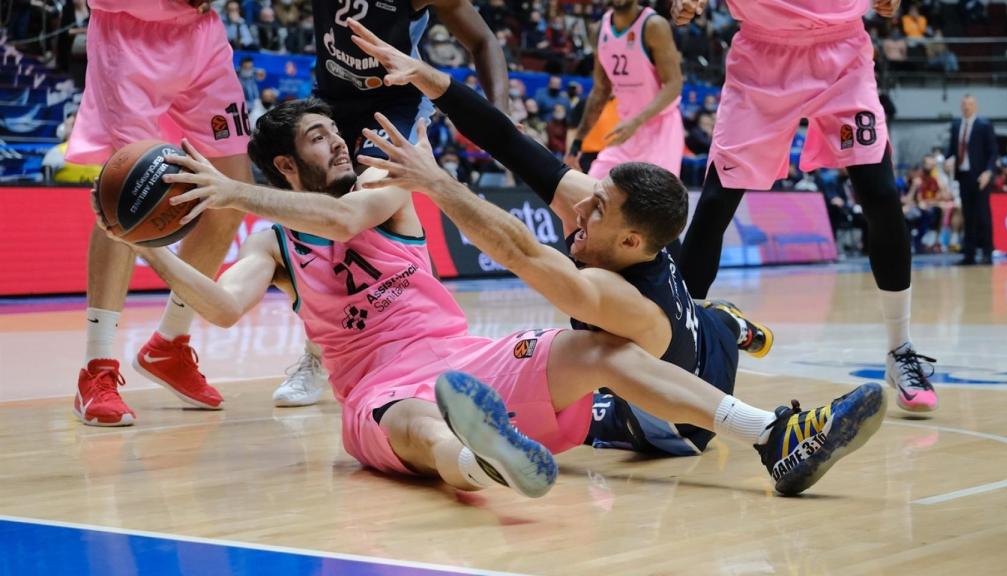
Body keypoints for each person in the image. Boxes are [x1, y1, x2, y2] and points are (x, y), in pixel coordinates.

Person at [107, 96, 883, 500]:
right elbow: (217, 307)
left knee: (596, 348)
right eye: (318, 137)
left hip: (466, 360)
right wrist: (148, 249)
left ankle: (773, 436)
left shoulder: (382, 184)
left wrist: (231, 192)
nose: (338, 140)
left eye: (333, 130)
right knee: (413, 418)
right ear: (284, 164)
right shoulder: (277, 240)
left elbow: (342, 217)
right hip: (376, 386)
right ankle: (476, 462)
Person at [349, 26, 777, 457]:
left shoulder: (620, 296)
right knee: (709, 322)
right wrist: (425, 76)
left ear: (629, 241)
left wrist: (438, 184)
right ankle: (727, 322)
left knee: (553, 394)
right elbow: (508, 141)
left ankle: (732, 341)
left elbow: (520, 252)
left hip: (677, 423)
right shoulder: (631, 226)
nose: (582, 207)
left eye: (599, 208)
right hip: (706, 340)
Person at [668, 0, 939, 413]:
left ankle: (900, 349)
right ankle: (678, 359)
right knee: (717, 202)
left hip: (842, 52)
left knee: (881, 195)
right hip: (763, 55)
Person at [269, 0, 511, 407]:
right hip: (329, 103)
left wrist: (499, 117)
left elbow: (484, 39)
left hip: (394, 105)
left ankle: (428, 336)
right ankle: (318, 354)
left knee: (368, 206)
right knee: (313, 224)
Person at [66, 0, 255, 426]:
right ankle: (97, 369)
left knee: (230, 191)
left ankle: (169, 343)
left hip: (201, 33)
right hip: (130, 33)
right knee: (127, 194)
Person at [569, 0, 684, 179]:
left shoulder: (654, 26)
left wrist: (636, 121)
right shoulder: (599, 30)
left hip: (661, 131)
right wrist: (577, 144)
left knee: (655, 201)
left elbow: (674, 84)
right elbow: (600, 91)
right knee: (593, 191)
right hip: (625, 130)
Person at [945, 95, 998, 265]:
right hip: (963, 176)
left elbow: (993, 152)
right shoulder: (956, 125)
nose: (966, 107)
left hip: (980, 177)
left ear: (975, 106)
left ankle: (987, 253)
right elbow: (952, 149)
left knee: (983, 216)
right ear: (961, 106)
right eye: (964, 104)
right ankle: (969, 254)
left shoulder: (984, 125)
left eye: (970, 104)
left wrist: (988, 172)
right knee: (968, 216)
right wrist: (948, 160)